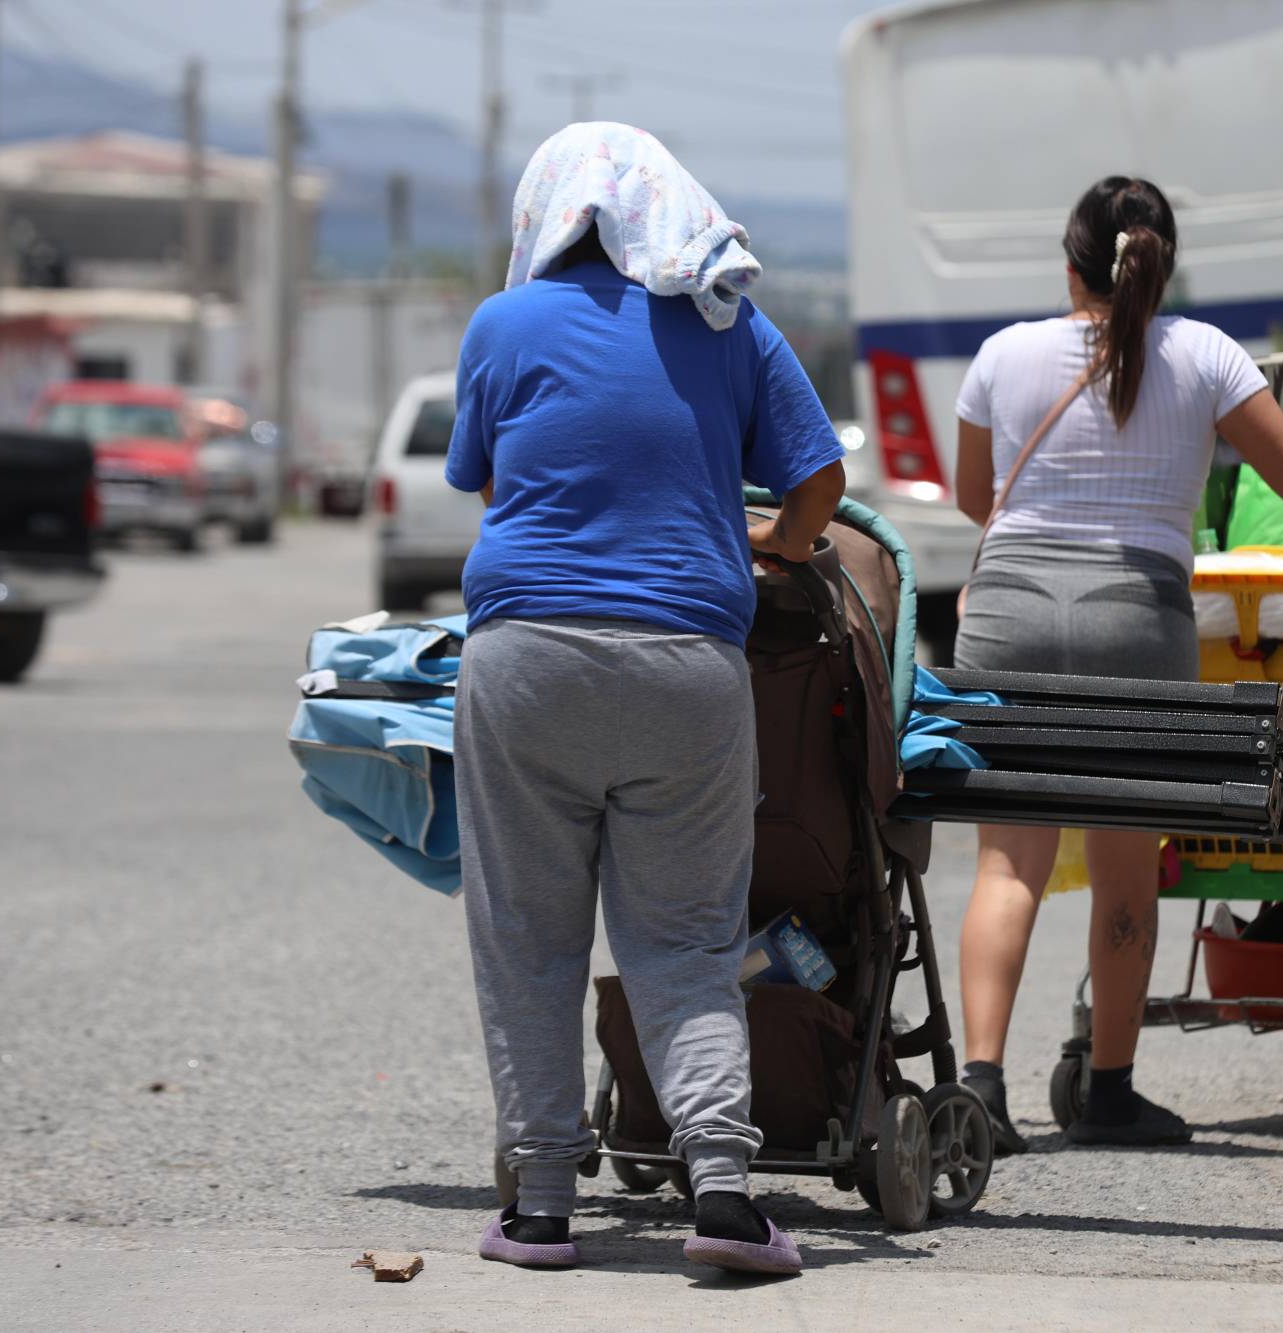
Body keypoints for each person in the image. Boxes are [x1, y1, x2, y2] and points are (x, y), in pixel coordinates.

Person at [445, 123, 846, 1273]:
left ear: (547, 214)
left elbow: (481, 476)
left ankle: (538, 1209)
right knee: (684, 937)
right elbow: (817, 475)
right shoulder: (728, 320)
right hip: (686, 668)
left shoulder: (501, 325)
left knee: (526, 934)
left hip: (523, 660)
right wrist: (777, 543)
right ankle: (720, 1193)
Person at [951, 176, 1283, 1152]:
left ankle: (978, 1089)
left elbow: (971, 495)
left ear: (1068, 264)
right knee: (1125, 872)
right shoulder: (1203, 354)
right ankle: (1108, 1090)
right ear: (1159, 259)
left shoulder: (999, 355)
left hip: (1006, 609)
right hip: (1134, 614)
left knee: (1007, 862)